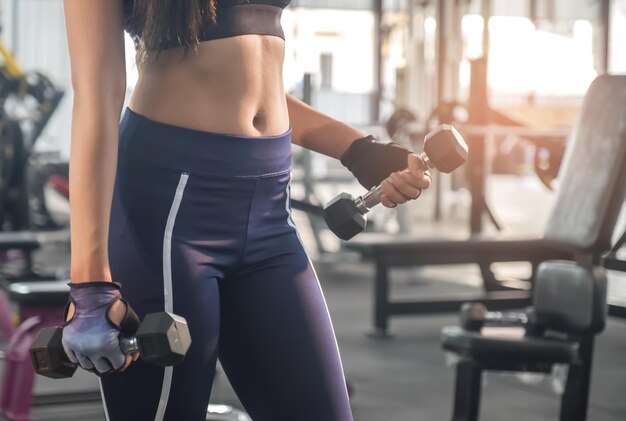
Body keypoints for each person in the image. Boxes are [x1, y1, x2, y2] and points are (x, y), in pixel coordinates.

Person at [61, 1, 431, 420]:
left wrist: (359, 150)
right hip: (169, 211)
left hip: (270, 208)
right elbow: (97, 95)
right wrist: (89, 284)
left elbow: (253, 72)